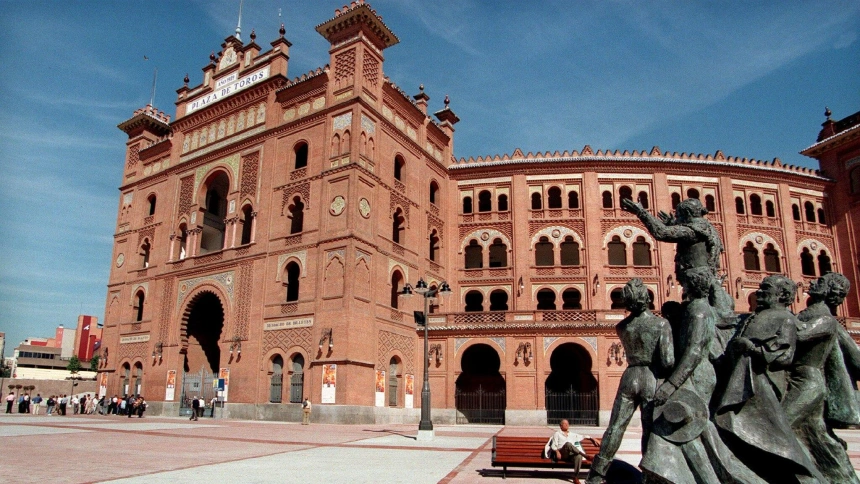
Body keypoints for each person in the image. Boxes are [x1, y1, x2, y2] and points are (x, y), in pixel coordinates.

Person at [640, 267, 765, 484]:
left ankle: (710, 477)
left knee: (688, 428)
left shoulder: (698, 311)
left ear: (691, 285)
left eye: (685, 282)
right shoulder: (699, 308)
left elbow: (694, 350)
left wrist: (671, 384)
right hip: (695, 371)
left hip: (696, 373)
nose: (682, 285)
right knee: (691, 430)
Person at [713, 275, 824, 482]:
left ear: (782, 295)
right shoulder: (754, 316)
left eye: (766, 288)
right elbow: (723, 320)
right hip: (743, 380)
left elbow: (785, 356)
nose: (760, 292)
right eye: (760, 288)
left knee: (776, 439)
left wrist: (753, 349)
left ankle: (807, 477)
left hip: (762, 384)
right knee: (750, 434)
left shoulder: (785, 318)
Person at [586, 279, 674, 484]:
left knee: (615, 426)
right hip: (651, 376)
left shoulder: (623, 327)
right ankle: (647, 476)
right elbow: (668, 361)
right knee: (648, 429)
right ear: (647, 297)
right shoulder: (661, 324)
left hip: (630, 375)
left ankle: (596, 475)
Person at [786, 273, 860, 483]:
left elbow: (857, 360)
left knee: (782, 426)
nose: (811, 282)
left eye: (819, 282)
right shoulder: (807, 314)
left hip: (809, 384)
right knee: (818, 437)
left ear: (830, 290)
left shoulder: (826, 320)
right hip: (797, 381)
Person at [544, 419, 589, 483]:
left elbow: (583, 436)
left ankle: (576, 477)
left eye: (567, 423)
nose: (567, 425)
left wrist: (593, 439)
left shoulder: (572, 434)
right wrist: (557, 451)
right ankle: (584, 455)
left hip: (570, 455)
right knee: (568, 444)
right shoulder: (557, 434)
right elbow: (553, 445)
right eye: (565, 424)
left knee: (579, 456)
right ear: (560, 426)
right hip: (562, 453)